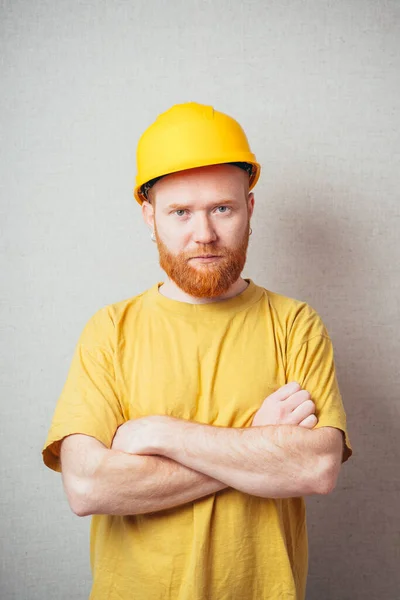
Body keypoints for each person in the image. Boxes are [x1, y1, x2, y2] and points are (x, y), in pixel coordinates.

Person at [43, 102, 352, 600]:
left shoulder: (295, 324)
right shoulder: (110, 331)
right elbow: (88, 488)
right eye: (180, 212)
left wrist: (158, 434)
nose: (203, 233)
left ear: (250, 207)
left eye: (221, 208)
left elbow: (315, 468)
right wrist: (255, 443)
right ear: (149, 216)